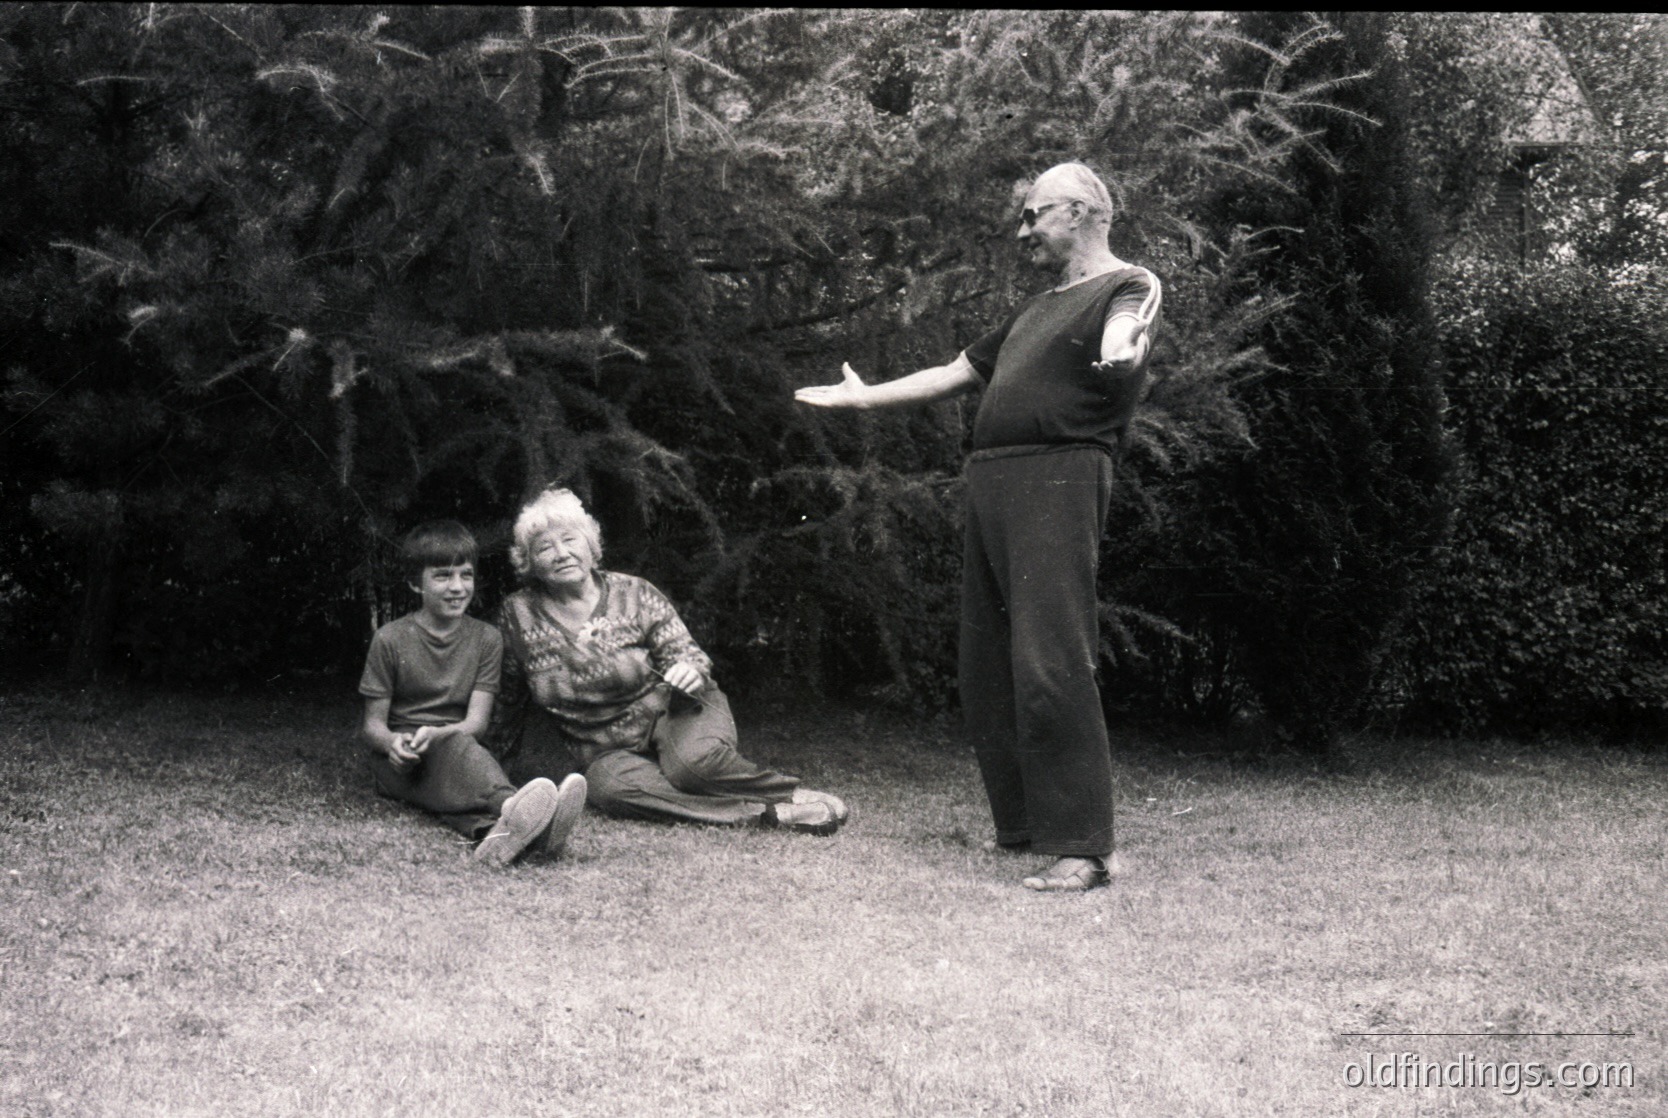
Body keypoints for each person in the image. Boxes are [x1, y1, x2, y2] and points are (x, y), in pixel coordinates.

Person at [795, 162, 1161, 891]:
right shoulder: (1033, 310)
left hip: (1059, 476)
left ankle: (1084, 847)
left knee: (1051, 658)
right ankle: (1025, 827)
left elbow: (1131, 331)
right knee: (987, 664)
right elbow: (956, 370)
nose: (1023, 228)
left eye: (1036, 214)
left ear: (1085, 213)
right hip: (994, 480)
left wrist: (1122, 350)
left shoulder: (1126, 284)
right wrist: (864, 400)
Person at [491, 488, 848, 834]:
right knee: (610, 790)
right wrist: (495, 777)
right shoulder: (517, 615)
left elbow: (686, 653)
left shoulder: (635, 593)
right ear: (529, 563)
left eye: (569, 540)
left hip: (676, 709)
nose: (561, 553)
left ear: (590, 545)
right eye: (544, 548)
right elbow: (508, 698)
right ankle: (763, 816)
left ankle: (787, 793)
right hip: (604, 748)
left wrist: (688, 671)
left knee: (692, 769)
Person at [359, 520, 587, 867]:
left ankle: (495, 836)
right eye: (442, 576)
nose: (457, 587)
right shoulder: (389, 639)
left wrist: (440, 735)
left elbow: (476, 723)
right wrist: (393, 745)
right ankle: (514, 807)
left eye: (465, 575)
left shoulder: (486, 639)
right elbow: (372, 726)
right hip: (402, 764)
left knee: (459, 762)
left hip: (461, 750)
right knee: (458, 766)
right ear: (413, 583)